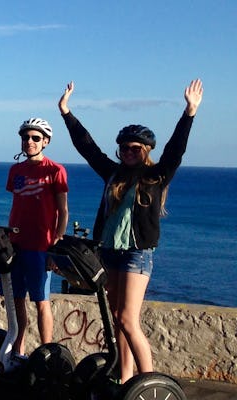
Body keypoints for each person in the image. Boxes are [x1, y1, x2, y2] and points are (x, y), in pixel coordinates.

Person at [59, 79, 202, 383]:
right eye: (124, 147)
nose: (128, 152)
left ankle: (148, 382)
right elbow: (88, 148)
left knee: (128, 319)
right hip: (109, 252)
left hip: (137, 255)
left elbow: (175, 151)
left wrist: (189, 113)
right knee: (117, 320)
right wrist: (66, 113)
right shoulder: (113, 174)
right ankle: (125, 378)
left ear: (146, 150)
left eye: (135, 148)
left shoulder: (155, 175)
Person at [5, 117, 69, 359]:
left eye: (35, 138)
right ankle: (18, 347)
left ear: (46, 141)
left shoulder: (55, 170)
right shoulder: (16, 170)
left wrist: (58, 240)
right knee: (17, 298)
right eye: (25, 137)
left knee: (41, 300)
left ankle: (47, 352)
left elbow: (63, 210)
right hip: (16, 244)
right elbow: (17, 204)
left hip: (40, 245)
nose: (29, 142)